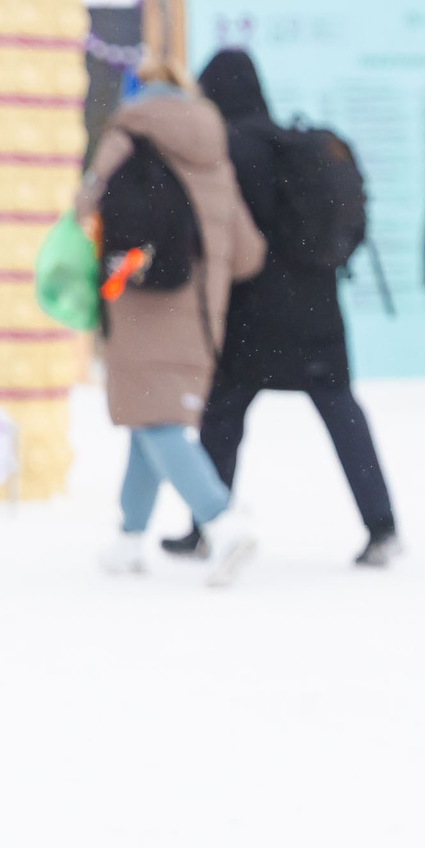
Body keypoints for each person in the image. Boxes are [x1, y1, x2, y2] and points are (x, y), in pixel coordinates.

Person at [184, 49, 401, 568]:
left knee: (223, 417)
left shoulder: (230, 151)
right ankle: (382, 525)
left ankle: (206, 526)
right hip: (317, 308)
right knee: (342, 414)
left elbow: (228, 234)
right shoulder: (295, 146)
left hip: (252, 311)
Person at [79, 59, 266, 586]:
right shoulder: (214, 149)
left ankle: (223, 522)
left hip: (138, 304)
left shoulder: (126, 135)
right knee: (150, 418)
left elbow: (86, 210)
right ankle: (128, 539)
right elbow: (249, 252)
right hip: (203, 313)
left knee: (157, 422)